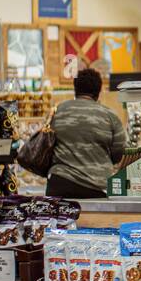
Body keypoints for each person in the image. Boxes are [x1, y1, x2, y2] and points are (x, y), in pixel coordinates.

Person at [45, 68, 126, 199]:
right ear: (98, 92)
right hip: (96, 186)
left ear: (75, 89)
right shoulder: (110, 116)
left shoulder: (57, 112)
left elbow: (45, 143)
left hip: (60, 184)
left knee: (58, 220)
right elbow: (119, 152)